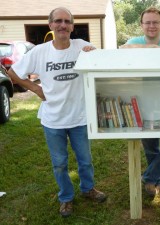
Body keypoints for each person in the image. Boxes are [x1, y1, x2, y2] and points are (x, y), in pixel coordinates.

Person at [7, 7, 107, 217]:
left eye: (67, 21)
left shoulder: (82, 46)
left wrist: (94, 56)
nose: (63, 25)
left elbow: (103, 64)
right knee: (60, 163)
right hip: (53, 120)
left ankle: (88, 189)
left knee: (85, 159)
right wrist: (35, 88)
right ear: (51, 24)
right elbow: (13, 72)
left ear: (72, 26)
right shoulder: (40, 52)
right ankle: (66, 198)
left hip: (79, 116)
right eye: (58, 21)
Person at [120, 7, 160, 197]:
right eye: (147, 22)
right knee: (151, 146)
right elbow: (123, 49)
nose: (151, 26)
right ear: (141, 25)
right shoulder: (134, 41)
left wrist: (151, 50)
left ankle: (148, 177)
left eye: (155, 22)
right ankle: (156, 181)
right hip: (144, 102)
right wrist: (153, 50)